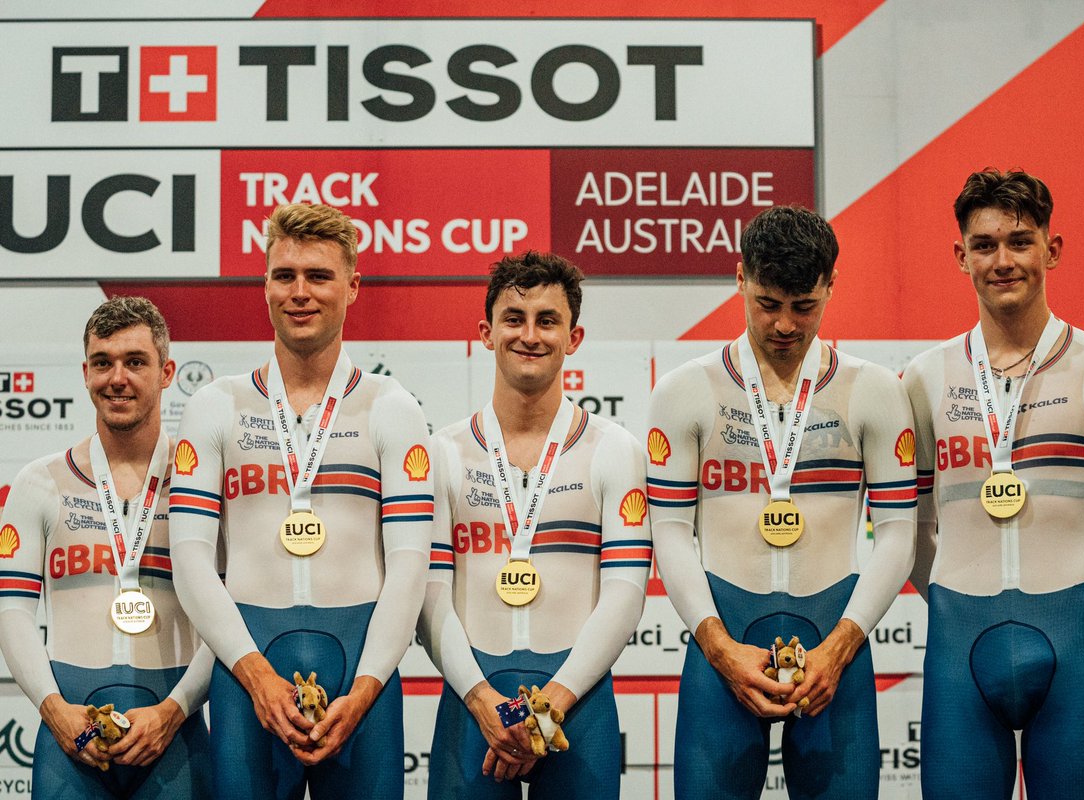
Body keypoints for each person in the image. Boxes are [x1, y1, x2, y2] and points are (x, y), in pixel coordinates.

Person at [903, 169, 1084, 799]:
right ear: (960, 257)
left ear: (1053, 248)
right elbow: (904, 532)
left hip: (1072, 637)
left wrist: (1070, 610)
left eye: (1020, 241)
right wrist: (954, 597)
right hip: (958, 640)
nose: (1003, 260)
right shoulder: (923, 377)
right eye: (985, 245)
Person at [647, 205, 916, 798]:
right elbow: (667, 531)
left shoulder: (873, 390)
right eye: (768, 304)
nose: (786, 325)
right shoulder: (685, 391)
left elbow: (898, 533)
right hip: (723, 648)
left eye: (805, 306)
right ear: (739, 277)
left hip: (834, 649)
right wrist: (717, 648)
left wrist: (842, 645)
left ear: (830, 286)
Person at [169, 203, 433, 799]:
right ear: (264, 284)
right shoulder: (217, 405)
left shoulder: (392, 407)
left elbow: (410, 566)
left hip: (361, 680)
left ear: (353, 286)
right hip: (245, 675)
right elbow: (189, 560)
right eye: (284, 275)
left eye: (318, 276)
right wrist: (255, 675)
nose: (300, 292)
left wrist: (366, 688)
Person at [418, 251, 649, 799]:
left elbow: (626, 591)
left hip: (579, 702)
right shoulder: (442, 452)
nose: (530, 335)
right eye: (514, 319)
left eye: (548, 320)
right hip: (472, 704)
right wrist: (478, 697)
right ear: (486, 332)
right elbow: (428, 595)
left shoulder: (614, 449)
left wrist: (556, 700)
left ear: (574, 337)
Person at [0, 296, 212, 798]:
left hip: (173, 734)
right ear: (85, 372)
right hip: (67, 735)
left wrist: (174, 710)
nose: (117, 378)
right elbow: (11, 612)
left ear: (166, 372)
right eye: (103, 363)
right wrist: (53, 707)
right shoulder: (38, 483)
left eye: (135, 362)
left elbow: (230, 614)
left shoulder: (201, 481)